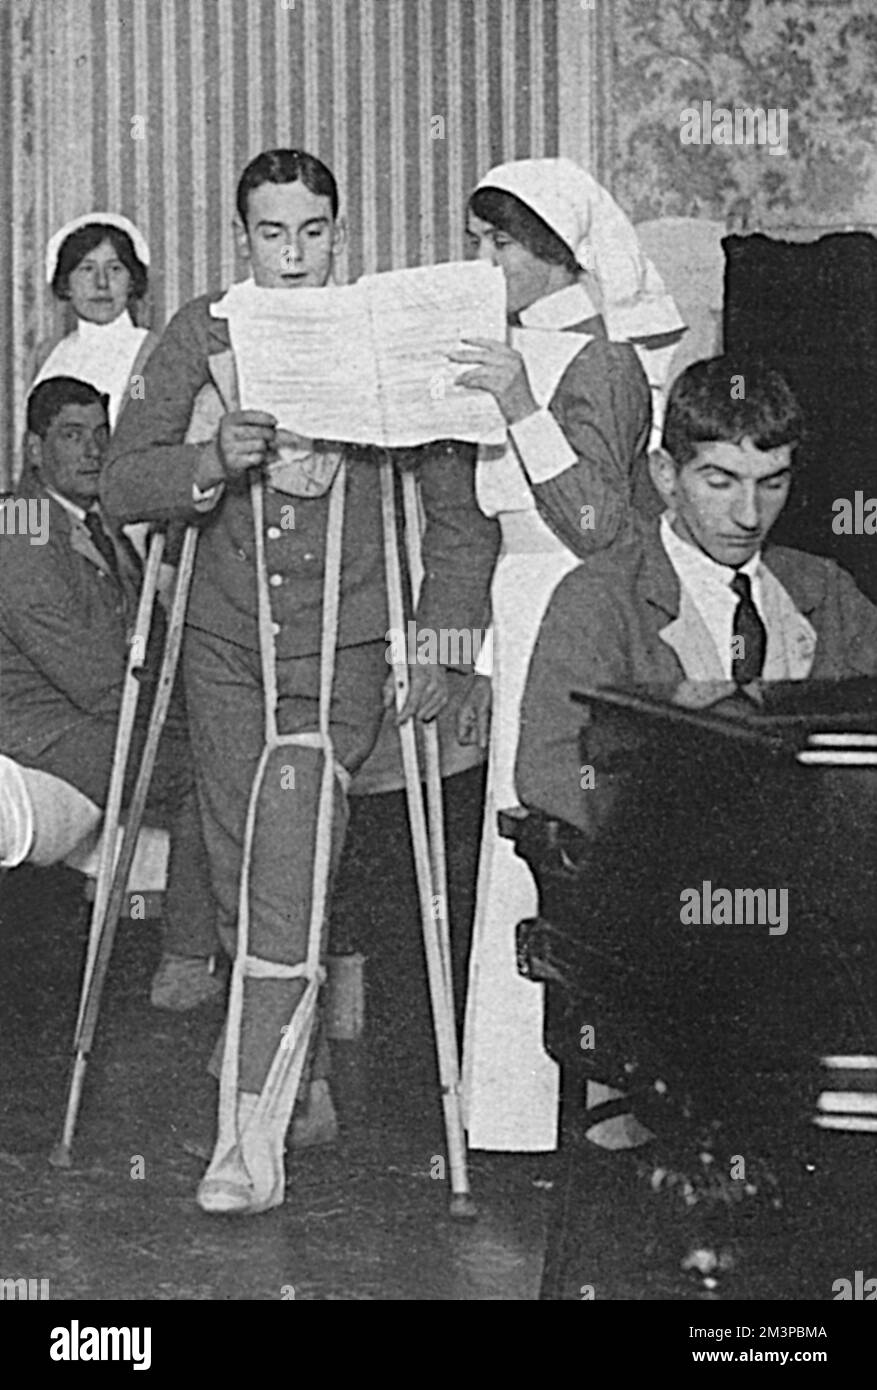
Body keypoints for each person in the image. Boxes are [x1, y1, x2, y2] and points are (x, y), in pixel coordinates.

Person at [101, 149, 499, 1215]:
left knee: (291, 830)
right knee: (243, 867)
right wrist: (209, 461)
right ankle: (301, 1077)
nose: (293, 254)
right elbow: (118, 482)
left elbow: (457, 512)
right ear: (242, 237)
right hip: (231, 643)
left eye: (312, 231)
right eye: (272, 233)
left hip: (350, 644)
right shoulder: (202, 331)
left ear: (337, 230)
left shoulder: (384, 327)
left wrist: (444, 636)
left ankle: (250, 1131)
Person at [451, 157, 683, 1152]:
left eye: (498, 243)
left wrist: (516, 406)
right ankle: (509, 1111)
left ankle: (587, 1106)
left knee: (556, 842)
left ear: (551, 253)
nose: (484, 260)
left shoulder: (602, 359)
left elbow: (598, 523)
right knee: (514, 847)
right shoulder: (511, 347)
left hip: (574, 604)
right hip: (516, 594)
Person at [517, 355, 877, 831]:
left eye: (772, 484)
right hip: (668, 878)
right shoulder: (598, 598)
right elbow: (551, 770)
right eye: (720, 482)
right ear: (666, 475)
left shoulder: (825, 590)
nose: (749, 515)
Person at [0, 377, 220, 992]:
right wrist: (193, 722)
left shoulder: (95, 522)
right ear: (35, 449)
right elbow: (94, 675)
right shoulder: (19, 523)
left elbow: (143, 639)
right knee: (209, 778)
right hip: (40, 730)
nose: (93, 451)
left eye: (102, 434)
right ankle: (184, 964)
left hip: (87, 712)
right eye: (72, 436)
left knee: (219, 754)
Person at [33, 214, 157, 431]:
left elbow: (141, 411)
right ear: (66, 284)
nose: (102, 283)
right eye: (87, 269)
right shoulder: (49, 353)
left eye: (115, 269)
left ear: (132, 282)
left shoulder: (148, 353)